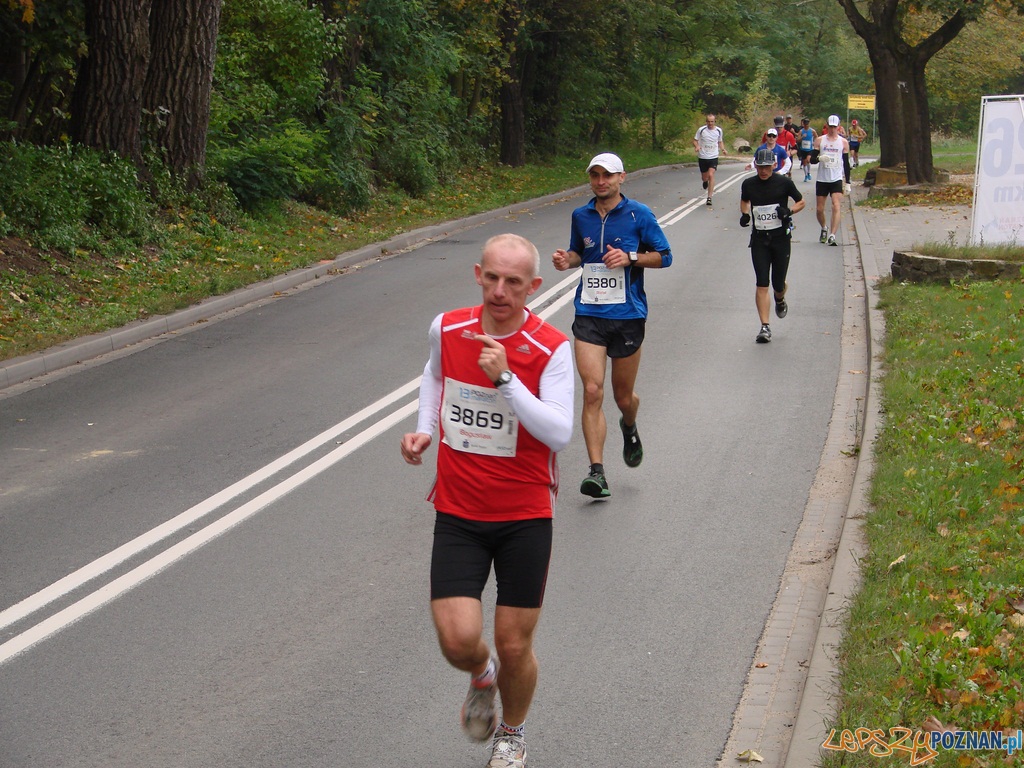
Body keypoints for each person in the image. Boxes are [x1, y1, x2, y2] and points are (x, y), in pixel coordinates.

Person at [400, 233, 575, 768]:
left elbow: (559, 432)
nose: (500, 291)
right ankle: (482, 676)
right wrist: (425, 429)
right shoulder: (448, 327)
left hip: (524, 515)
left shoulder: (551, 348)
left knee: (515, 645)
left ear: (533, 286)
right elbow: (434, 375)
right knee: (458, 641)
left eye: (513, 282)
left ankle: (512, 735)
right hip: (459, 511)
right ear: (478, 274)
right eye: (492, 278)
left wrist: (506, 379)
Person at [552, 152, 673, 499]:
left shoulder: (639, 214)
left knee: (622, 398)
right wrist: (566, 260)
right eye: (595, 175)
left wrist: (631, 257)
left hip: (627, 316)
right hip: (589, 314)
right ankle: (597, 472)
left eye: (607, 175)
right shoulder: (581, 215)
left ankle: (629, 424)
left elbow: (665, 256)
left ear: (622, 177)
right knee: (592, 391)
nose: (601, 181)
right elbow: (579, 252)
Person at [740, 147, 806, 344]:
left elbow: (801, 202)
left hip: (780, 239)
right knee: (762, 282)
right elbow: (744, 201)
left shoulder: (784, 183)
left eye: (767, 167)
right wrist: (745, 214)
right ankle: (765, 327)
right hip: (759, 240)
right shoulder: (749, 184)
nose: (763, 171)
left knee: (778, 283)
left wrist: (789, 211)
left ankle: (780, 298)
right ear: (755, 165)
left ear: (774, 165)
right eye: (760, 167)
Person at [813, 115, 850, 246]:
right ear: (827, 126)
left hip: (836, 178)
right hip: (822, 178)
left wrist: (848, 182)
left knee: (836, 205)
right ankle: (824, 227)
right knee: (819, 209)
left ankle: (833, 235)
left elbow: (846, 163)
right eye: (830, 126)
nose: (832, 129)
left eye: (835, 127)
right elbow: (811, 160)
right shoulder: (820, 140)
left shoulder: (843, 142)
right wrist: (819, 158)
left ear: (838, 127)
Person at [693, 113, 726, 206]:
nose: (710, 123)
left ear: (715, 121)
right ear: (706, 122)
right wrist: (697, 146)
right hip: (703, 157)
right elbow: (695, 140)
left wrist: (723, 149)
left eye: (712, 121)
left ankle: (709, 197)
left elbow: (720, 141)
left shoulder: (718, 130)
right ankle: (705, 181)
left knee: (711, 175)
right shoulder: (701, 130)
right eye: (708, 121)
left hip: (713, 156)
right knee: (705, 177)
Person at [797, 118, 817, 182]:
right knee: (804, 163)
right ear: (803, 124)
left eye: (807, 124)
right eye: (805, 124)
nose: (806, 126)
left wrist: (814, 142)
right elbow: (797, 140)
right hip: (803, 149)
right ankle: (806, 175)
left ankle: (809, 173)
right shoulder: (801, 131)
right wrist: (802, 137)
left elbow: (816, 137)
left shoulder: (812, 131)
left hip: (810, 148)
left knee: (808, 160)